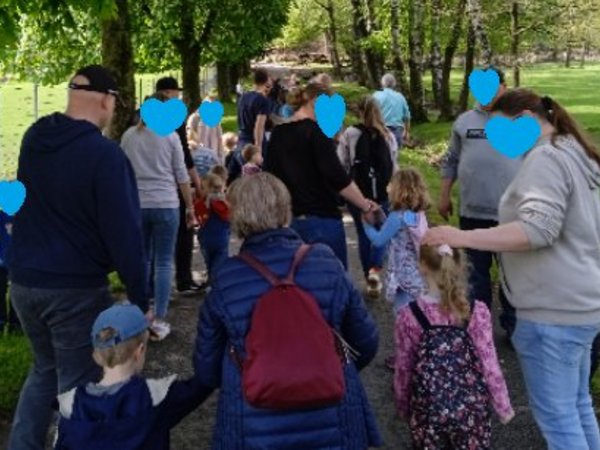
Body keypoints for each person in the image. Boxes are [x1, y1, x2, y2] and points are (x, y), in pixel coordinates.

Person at [424, 88, 600, 449]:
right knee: (577, 405)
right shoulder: (576, 152)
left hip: (553, 310)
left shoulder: (545, 159)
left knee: (558, 416)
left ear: (525, 120)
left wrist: (463, 237)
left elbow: (537, 229)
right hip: (581, 303)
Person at [6, 65, 147, 450]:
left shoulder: (35, 138)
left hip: (23, 281)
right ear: (106, 100)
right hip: (73, 287)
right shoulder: (105, 156)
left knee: (43, 370)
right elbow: (125, 232)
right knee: (77, 382)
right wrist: (140, 294)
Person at [193, 173, 382, 449]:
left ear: (237, 218)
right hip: (332, 413)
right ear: (286, 210)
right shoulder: (325, 261)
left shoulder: (226, 278)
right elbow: (365, 341)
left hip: (254, 421)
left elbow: (206, 369)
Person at [394, 244, 514, 448]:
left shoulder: (409, 315)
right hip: (471, 411)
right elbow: (489, 364)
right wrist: (503, 407)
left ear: (422, 266)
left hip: (428, 409)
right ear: (460, 266)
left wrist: (403, 406)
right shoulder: (476, 311)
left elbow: (404, 368)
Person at [54, 303, 210, 450]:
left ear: (96, 353)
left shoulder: (71, 407)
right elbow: (202, 384)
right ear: (140, 351)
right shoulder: (156, 398)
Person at [438, 67, 519, 338]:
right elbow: (451, 160)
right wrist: (444, 195)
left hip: (512, 215)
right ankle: (478, 325)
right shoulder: (464, 121)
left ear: (504, 87)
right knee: (476, 275)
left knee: (513, 276)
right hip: (472, 212)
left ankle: (513, 326)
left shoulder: (519, 120)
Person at [265, 83, 379, 270]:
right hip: (321, 221)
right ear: (316, 102)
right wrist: (365, 206)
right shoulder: (316, 133)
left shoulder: (278, 133)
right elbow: (337, 177)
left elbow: (269, 178)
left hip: (288, 221)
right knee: (332, 282)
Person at [121, 92, 195, 341]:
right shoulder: (171, 137)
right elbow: (181, 175)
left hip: (137, 205)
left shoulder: (129, 136)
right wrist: (190, 206)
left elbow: (122, 171)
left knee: (143, 259)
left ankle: (141, 308)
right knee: (164, 261)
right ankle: (160, 316)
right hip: (166, 204)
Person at [337, 95, 398, 296]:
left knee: (363, 234)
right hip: (383, 193)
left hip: (358, 194)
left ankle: (368, 276)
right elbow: (394, 164)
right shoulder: (388, 134)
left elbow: (341, 162)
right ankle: (375, 269)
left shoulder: (350, 133)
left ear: (358, 112)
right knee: (383, 232)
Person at [155, 77, 204, 295]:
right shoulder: (175, 118)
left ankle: (151, 287)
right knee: (185, 231)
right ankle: (183, 280)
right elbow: (183, 155)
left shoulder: (138, 119)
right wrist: (196, 181)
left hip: (145, 187)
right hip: (171, 182)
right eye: (176, 92)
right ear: (167, 93)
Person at [363, 169, 429, 313]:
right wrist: (380, 213)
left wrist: (366, 225)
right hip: (417, 275)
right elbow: (397, 233)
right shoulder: (416, 214)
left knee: (403, 317)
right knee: (418, 316)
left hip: (402, 278)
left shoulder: (397, 217)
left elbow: (379, 240)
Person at [228, 69, 271, 183]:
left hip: (241, 140)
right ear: (266, 80)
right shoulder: (262, 100)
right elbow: (259, 126)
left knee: (233, 175)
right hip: (253, 141)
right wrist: (258, 148)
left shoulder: (243, 96)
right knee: (258, 179)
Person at [194, 172, 230, 283]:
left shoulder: (202, 203)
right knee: (219, 265)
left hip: (206, 239)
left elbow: (198, 213)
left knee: (210, 264)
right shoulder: (224, 203)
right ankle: (214, 284)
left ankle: (211, 282)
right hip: (221, 239)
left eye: (202, 187)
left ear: (208, 188)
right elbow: (229, 217)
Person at [373, 73, 411, 149]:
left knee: (381, 155)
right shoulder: (400, 97)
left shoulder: (376, 95)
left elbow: (371, 113)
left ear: (382, 83)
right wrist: (407, 132)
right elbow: (407, 116)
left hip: (381, 129)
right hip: (397, 130)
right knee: (394, 155)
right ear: (394, 84)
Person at [187, 92, 225, 163]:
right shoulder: (195, 118)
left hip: (214, 155)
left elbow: (219, 139)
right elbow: (190, 136)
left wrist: (221, 158)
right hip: (199, 155)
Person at [0, 210, 19, 333]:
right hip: (1, 261)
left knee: (16, 293)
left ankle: (16, 325)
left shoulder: (25, 215)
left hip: (19, 262)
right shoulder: (1, 216)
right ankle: (1, 324)